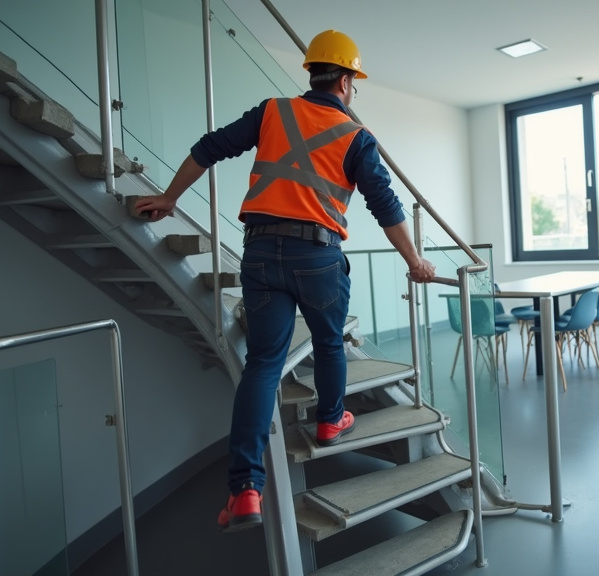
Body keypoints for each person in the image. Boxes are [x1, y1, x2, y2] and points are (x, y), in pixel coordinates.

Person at [134, 29, 436, 532]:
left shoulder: (273, 111)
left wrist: (169, 198)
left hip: (259, 249)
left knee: (263, 365)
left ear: (312, 73)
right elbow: (384, 205)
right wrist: (416, 261)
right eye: (353, 83)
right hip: (318, 255)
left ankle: (245, 490)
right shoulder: (357, 137)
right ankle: (330, 419)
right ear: (344, 81)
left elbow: (211, 148)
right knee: (328, 343)